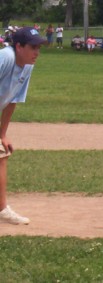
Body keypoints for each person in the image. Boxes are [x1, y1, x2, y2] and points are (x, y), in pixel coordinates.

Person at [0, 27, 47, 225]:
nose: (37, 52)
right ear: (18, 46)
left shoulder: (27, 66)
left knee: (2, 153)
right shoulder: (5, 57)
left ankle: (2, 210)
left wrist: (2, 134)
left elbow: (13, 100)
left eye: (39, 47)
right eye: (33, 47)